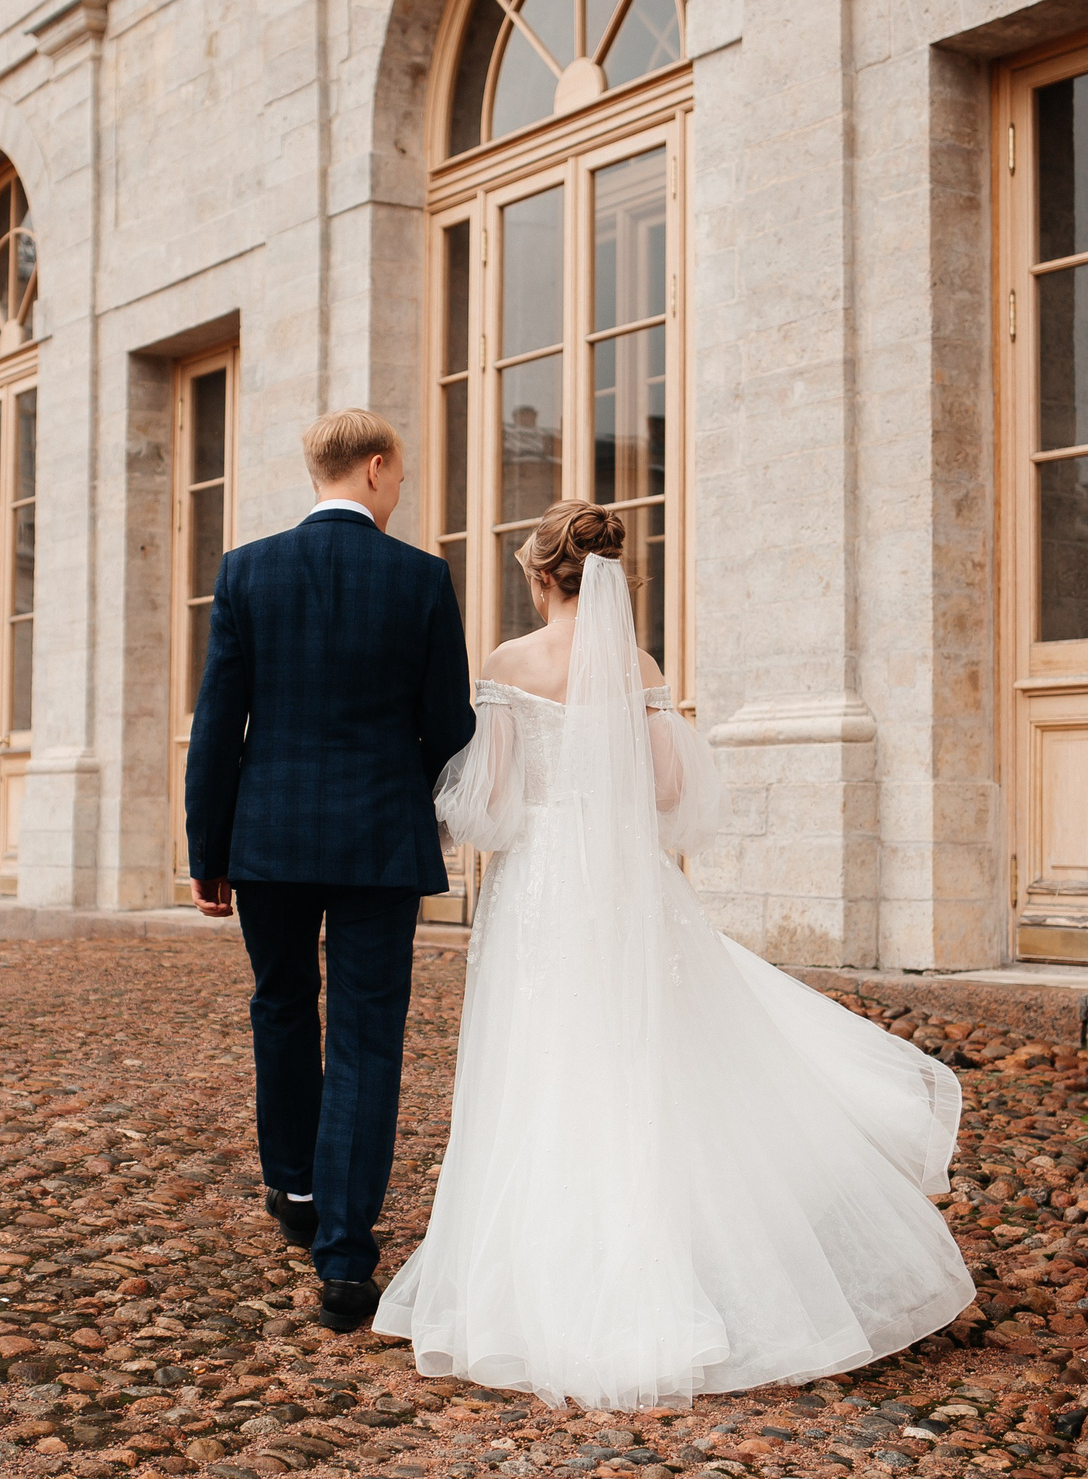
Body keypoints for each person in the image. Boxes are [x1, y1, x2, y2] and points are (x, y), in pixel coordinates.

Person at [372, 501, 975, 1408]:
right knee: (660, 1054)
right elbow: (664, 786)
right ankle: (695, 1258)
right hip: (625, 875)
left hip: (541, 880)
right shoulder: (639, 665)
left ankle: (546, 1270)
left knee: (542, 1056)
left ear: (539, 576)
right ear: (612, 578)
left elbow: (489, 804)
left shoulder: (506, 664)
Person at [184, 409, 476, 1333]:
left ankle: (296, 1193)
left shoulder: (247, 571)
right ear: (378, 470)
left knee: (279, 1003)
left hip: (266, 839)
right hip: (379, 842)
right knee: (365, 1036)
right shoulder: (421, 578)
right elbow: (450, 729)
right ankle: (347, 1259)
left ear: (319, 474)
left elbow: (217, 727)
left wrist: (208, 850)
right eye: (402, 476)